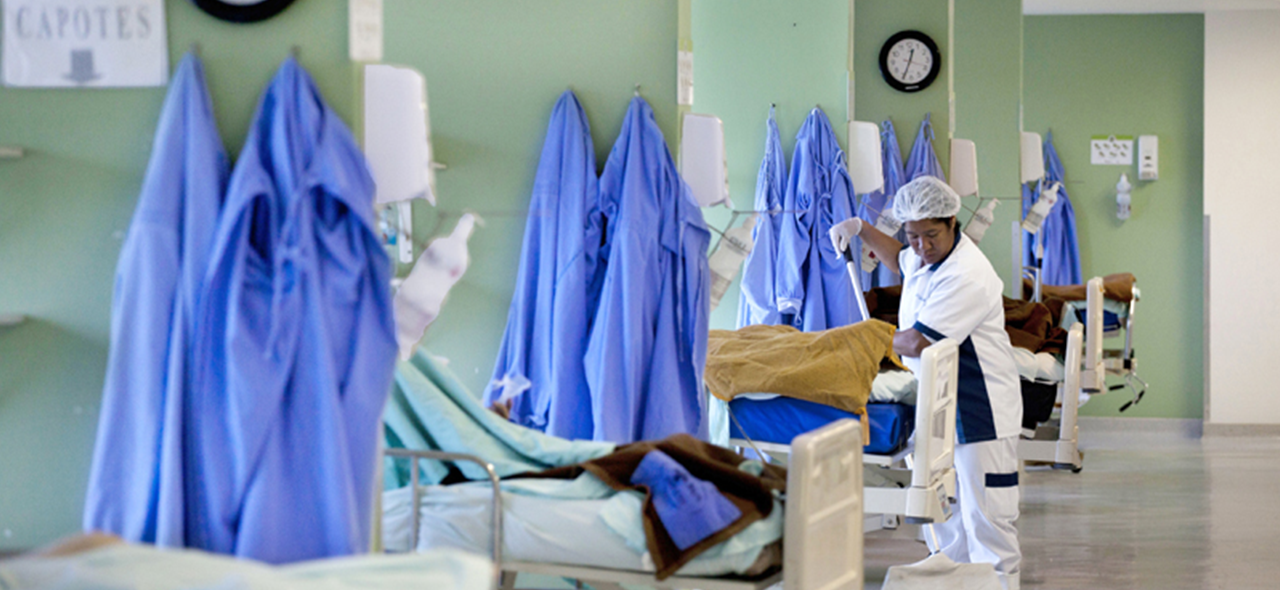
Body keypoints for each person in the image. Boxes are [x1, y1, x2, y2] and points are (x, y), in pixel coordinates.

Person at [846, 176, 1023, 590]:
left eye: (930, 235)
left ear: (952, 223)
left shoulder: (967, 273)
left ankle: (1000, 583)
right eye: (913, 235)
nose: (921, 245)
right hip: (940, 402)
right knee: (946, 509)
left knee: (988, 513)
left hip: (981, 408)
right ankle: (955, 576)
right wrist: (861, 228)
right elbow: (900, 259)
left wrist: (859, 337)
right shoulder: (927, 258)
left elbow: (915, 340)